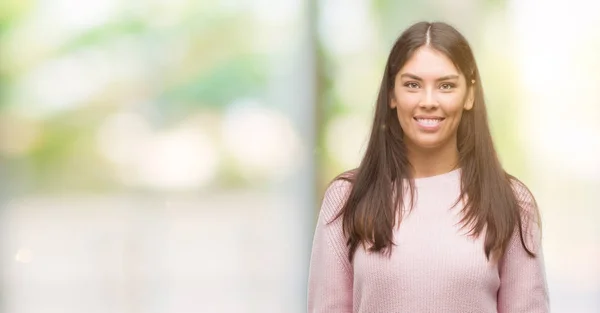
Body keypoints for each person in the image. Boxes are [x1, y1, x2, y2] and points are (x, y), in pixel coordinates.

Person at [307, 21, 549, 313]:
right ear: (392, 95)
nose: (429, 101)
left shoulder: (510, 201)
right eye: (412, 85)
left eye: (446, 85)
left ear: (469, 94)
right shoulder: (346, 199)